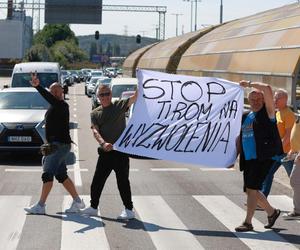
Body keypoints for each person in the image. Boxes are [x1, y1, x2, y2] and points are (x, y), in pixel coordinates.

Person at [24, 73, 85, 214]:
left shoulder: (62, 105)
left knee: (47, 174)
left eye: (54, 91)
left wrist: (38, 86)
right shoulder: (55, 106)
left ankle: (40, 206)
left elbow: (49, 99)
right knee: (61, 175)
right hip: (57, 145)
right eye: (51, 91)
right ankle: (77, 202)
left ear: (59, 92)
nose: (52, 93)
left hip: (59, 146)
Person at [81, 84, 137, 219]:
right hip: (105, 153)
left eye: (107, 94)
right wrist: (103, 143)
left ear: (111, 95)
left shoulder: (119, 105)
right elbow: (95, 131)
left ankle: (129, 210)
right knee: (97, 182)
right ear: (98, 97)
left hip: (120, 153)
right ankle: (93, 207)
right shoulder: (95, 113)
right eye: (102, 95)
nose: (105, 97)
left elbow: (136, 97)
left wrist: (142, 80)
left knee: (123, 181)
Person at [235, 80, 282, 232]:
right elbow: (239, 138)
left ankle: (248, 222)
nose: (255, 102)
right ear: (248, 100)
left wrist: (248, 83)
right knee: (250, 190)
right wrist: (232, 157)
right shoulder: (245, 116)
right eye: (252, 99)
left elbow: (268, 89)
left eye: (258, 99)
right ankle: (272, 212)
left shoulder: (268, 113)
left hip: (264, 157)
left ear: (263, 100)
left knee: (252, 188)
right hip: (248, 158)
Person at [261, 89, 295, 198]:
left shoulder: (288, 114)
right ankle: (262, 200)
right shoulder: (278, 112)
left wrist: (278, 148)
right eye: (274, 97)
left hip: (285, 153)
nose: (274, 100)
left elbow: (289, 136)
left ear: (284, 100)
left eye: (277, 98)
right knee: (267, 174)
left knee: (294, 179)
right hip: (277, 152)